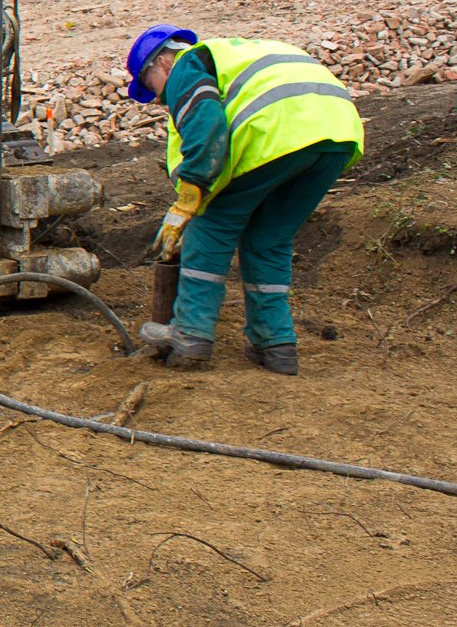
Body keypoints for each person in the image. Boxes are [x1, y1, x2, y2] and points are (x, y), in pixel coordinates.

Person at [124, 25, 364, 373]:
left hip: (277, 130)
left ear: (161, 63)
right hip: (336, 132)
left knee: (212, 228)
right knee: (269, 240)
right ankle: (277, 345)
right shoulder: (236, 54)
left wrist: (189, 198)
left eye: (151, 87)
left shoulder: (187, 64)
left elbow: (206, 128)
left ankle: (191, 335)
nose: (160, 100)